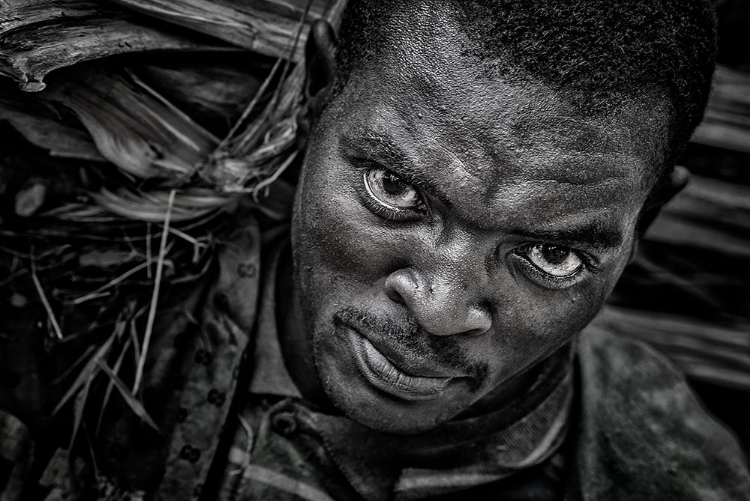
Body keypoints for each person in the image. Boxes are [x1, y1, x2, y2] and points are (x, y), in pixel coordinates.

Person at [1, 0, 749, 500]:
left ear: (646, 218)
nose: (442, 308)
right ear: (318, 91)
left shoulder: (663, 475)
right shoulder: (62, 315)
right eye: (395, 188)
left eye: (553, 256)